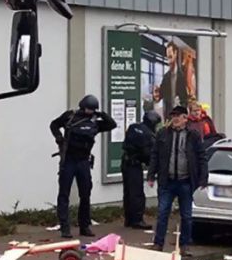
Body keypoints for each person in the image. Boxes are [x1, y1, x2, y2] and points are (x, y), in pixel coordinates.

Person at [50, 95, 117, 238]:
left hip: (83, 161)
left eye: (92, 110)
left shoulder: (94, 122)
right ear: (82, 106)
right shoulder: (70, 116)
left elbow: (112, 124)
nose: (89, 112)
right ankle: (65, 227)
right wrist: (59, 138)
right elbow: (54, 124)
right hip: (68, 160)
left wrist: (101, 114)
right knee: (64, 194)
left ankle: (84, 226)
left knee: (85, 194)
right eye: (88, 109)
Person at [148, 106, 208, 254]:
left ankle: (185, 245)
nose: (175, 119)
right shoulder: (163, 134)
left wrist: (203, 178)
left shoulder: (193, 135)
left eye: (178, 116)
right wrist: (151, 175)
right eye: (173, 116)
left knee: (186, 216)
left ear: (185, 119)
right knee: (162, 213)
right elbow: (155, 155)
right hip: (167, 181)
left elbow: (201, 157)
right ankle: (158, 243)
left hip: (185, 181)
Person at [122, 110, 161, 229]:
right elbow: (147, 154)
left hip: (125, 162)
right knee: (137, 193)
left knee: (128, 192)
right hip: (135, 164)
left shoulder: (133, 127)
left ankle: (128, 219)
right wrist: (154, 167)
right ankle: (137, 220)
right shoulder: (147, 134)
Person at [156, 42, 190, 117]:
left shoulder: (183, 75)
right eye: (167, 58)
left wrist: (183, 113)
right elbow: (160, 96)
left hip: (180, 115)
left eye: (170, 57)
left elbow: (186, 97)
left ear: (175, 54)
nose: (169, 61)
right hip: (168, 116)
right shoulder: (166, 77)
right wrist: (156, 94)